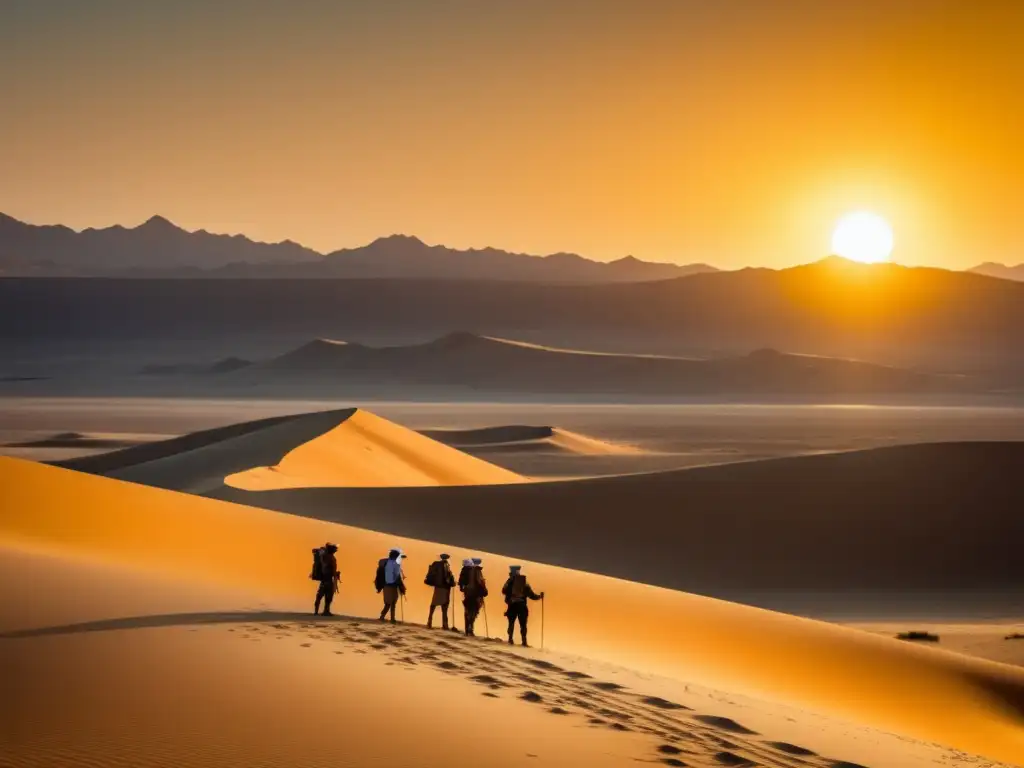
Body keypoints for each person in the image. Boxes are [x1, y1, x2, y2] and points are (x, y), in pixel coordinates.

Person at [502, 565, 543, 646]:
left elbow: (503, 591)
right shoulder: (524, 582)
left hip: (512, 605)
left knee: (511, 623)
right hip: (522, 606)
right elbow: (532, 595)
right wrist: (539, 597)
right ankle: (524, 642)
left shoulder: (509, 581)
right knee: (523, 625)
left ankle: (510, 639)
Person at [425, 553, 456, 630]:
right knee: (444, 607)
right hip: (444, 588)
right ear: (447, 558)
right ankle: (445, 625)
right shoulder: (446, 565)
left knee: (433, 605)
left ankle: (429, 622)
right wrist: (453, 583)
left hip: (438, 587)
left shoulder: (436, 565)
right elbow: (448, 578)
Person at [462, 557, 488, 636]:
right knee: (473, 611)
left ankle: (467, 629)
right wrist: (484, 590)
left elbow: (463, 582)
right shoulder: (478, 571)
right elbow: (480, 582)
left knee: (467, 611)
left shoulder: (467, 570)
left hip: (467, 593)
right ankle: (470, 628)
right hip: (475, 594)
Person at [378, 548, 406, 622]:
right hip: (389, 586)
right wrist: (401, 586)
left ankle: (390, 618)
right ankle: (384, 617)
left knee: (391, 602)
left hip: (390, 586)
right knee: (389, 603)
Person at [314, 543, 340, 617]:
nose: (336, 550)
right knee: (328, 596)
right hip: (328, 580)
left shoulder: (324, 556)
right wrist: (335, 574)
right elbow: (330, 569)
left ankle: (317, 611)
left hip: (324, 579)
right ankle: (326, 611)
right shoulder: (331, 558)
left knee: (320, 595)